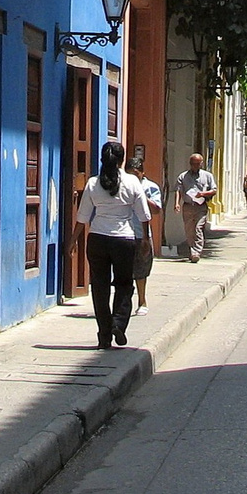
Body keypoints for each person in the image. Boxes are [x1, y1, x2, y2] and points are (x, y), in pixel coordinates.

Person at [74, 141, 150, 348]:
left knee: (100, 287)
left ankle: (104, 334)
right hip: (124, 240)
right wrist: (145, 239)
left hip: (97, 239)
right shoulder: (133, 182)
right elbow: (144, 215)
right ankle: (118, 323)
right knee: (124, 284)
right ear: (122, 160)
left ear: (102, 159)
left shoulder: (92, 183)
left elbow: (82, 217)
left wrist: (73, 242)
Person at [126, 158, 162, 317]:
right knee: (124, 271)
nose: (133, 178)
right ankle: (124, 303)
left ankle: (142, 301)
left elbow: (156, 210)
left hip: (141, 235)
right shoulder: (122, 186)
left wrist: (141, 196)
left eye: (136, 174)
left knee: (141, 270)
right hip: (123, 233)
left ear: (142, 173)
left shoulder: (150, 187)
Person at [175, 154, 217, 262]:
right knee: (189, 230)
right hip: (188, 206)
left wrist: (203, 194)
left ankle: (196, 252)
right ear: (190, 164)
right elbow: (178, 190)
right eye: (193, 164)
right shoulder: (183, 176)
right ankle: (192, 249)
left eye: (198, 164)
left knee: (198, 228)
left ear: (201, 164)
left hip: (201, 207)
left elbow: (214, 190)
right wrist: (177, 203)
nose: (195, 166)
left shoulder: (207, 176)